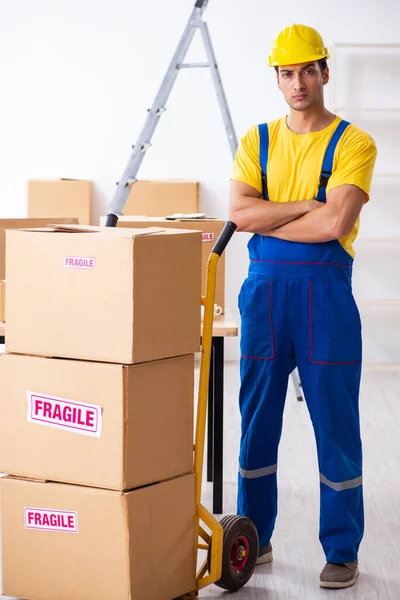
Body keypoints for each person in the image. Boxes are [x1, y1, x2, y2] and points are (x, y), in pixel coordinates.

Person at [229, 23, 377, 589]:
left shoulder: (354, 142)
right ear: (277, 78)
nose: (298, 83)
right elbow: (239, 215)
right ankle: (254, 537)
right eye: (287, 73)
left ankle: (342, 550)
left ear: (324, 71)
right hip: (265, 297)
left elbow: (336, 222)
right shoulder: (257, 140)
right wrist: (305, 207)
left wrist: (272, 213)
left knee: (336, 426)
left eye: (307, 71)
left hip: (325, 299)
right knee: (256, 423)